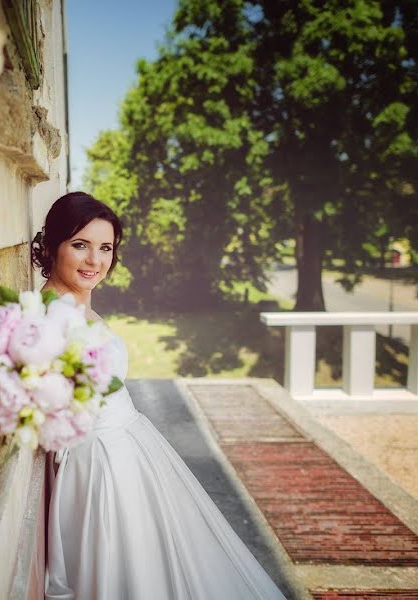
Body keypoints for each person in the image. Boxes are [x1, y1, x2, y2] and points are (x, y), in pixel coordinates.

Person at [32, 192, 286, 599]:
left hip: (130, 449)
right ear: (53, 245)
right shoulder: (48, 318)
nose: (94, 261)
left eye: (105, 248)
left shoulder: (75, 304)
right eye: (80, 245)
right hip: (101, 464)